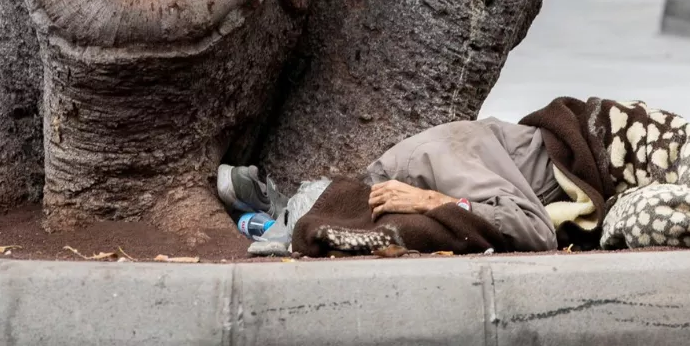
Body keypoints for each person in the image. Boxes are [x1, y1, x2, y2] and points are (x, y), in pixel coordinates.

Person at [217, 117, 566, 252]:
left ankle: (285, 210)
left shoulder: (444, 161)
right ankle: (289, 214)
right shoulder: (449, 162)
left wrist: (433, 200)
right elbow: (537, 232)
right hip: (446, 157)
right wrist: (433, 201)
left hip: (445, 156)